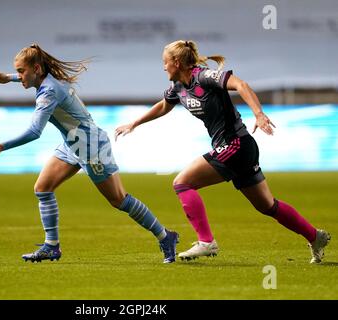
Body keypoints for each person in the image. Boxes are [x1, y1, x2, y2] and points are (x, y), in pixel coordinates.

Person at [115, 40, 331, 264]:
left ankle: (206, 241)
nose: (163, 67)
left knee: (182, 183)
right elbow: (163, 106)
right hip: (238, 148)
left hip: (237, 143)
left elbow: (241, 85)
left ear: (176, 62)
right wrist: (134, 124)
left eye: (165, 62)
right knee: (267, 206)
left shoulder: (205, 77)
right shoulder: (177, 88)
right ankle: (315, 237)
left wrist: (258, 114)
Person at [0, 44, 179, 263]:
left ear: (37, 68)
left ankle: (165, 236)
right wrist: (8, 78)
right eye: (17, 71)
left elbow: (34, 132)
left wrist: (1, 147)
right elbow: (28, 78)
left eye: (21, 71)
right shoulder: (46, 79)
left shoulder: (48, 93)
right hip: (72, 143)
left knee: (119, 200)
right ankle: (51, 246)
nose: (19, 76)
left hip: (90, 146)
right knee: (42, 188)